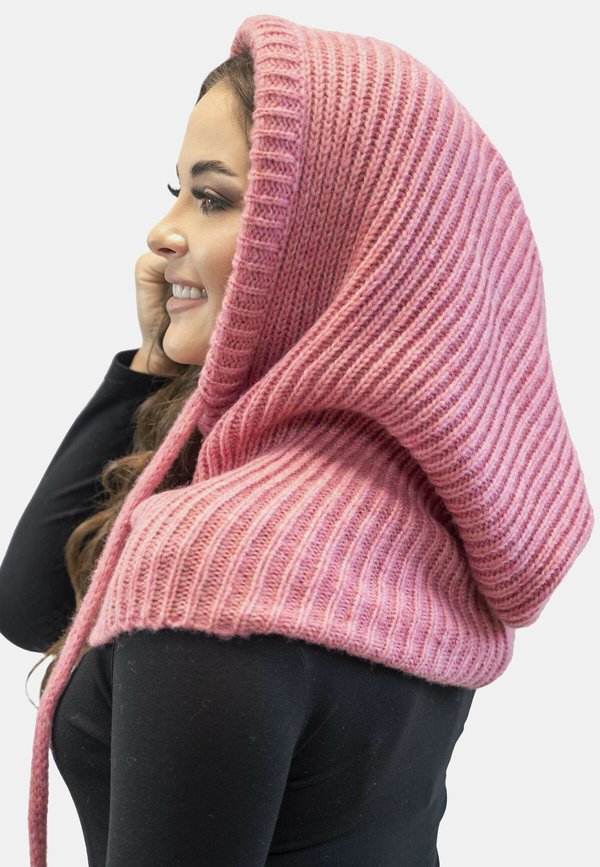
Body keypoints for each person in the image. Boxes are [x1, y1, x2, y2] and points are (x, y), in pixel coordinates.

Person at [1, 13, 593, 867]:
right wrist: (153, 363)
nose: (163, 231)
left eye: (212, 197)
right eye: (175, 190)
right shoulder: (410, 515)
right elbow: (32, 605)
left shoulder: (225, 556)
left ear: (331, 239)